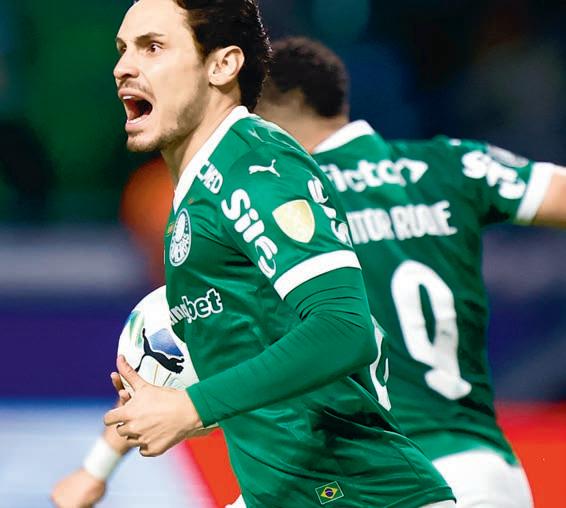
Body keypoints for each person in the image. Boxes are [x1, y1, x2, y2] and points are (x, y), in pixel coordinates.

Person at [52, 2, 455, 507]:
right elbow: (193, 355)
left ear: (222, 65)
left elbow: (343, 327)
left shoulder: (255, 168)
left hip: (355, 492)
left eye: (152, 47)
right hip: (299, 492)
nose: (123, 67)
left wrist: (191, 409)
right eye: (123, 50)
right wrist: (99, 466)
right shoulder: (201, 191)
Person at [254, 37, 566, 507]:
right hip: (486, 473)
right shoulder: (452, 164)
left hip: (393, 481)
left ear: (265, 115)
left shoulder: (287, 203)